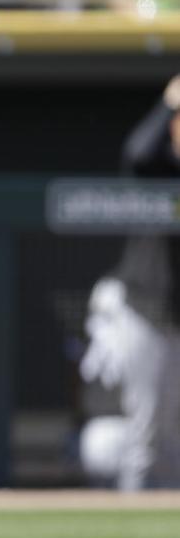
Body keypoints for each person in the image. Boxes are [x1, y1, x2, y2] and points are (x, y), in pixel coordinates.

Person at [76, 72, 180, 489]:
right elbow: (138, 152)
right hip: (146, 313)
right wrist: (169, 103)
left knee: (171, 436)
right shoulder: (161, 168)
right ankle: (134, 517)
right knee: (146, 431)